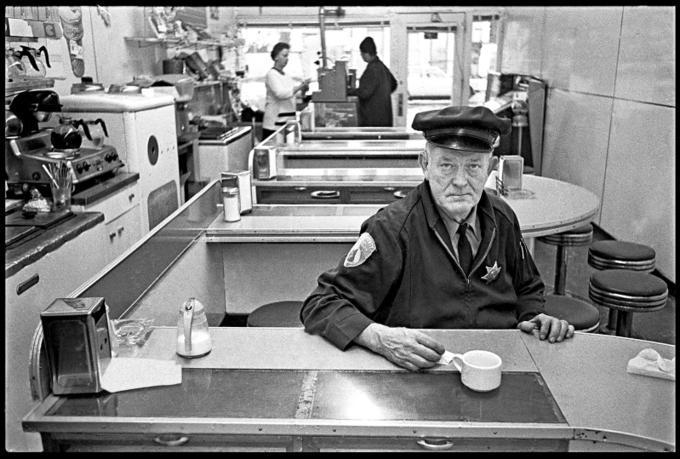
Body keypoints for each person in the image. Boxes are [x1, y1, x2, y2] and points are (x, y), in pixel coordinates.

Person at [300, 105, 575, 371]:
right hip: (421, 369)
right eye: (446, 165)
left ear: (490, 168)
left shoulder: (502, 218)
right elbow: (322, 303)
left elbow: (527, 287)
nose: (459, 181)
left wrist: (533, 317)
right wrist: (381, 339)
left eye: (473, 167)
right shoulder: (391, 229)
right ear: (424, 164)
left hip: (498, 365)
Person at [262, 42, 310, 140]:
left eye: (287, 56)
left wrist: (303, 90)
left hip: (288, 122)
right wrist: (300, 86)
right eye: (284, 55)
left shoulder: (287, 76)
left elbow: (293, 95)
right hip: (274, 124)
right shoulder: (271, 75)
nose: (286, 59)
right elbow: (281, 94)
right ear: (276, 57)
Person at [348, 36, 397, 127]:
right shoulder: (382, 66)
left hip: (373, 118)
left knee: (372, 141)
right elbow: (394, 84)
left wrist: (349, 91)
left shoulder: (372, 69)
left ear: (366, 53)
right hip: (384, 115)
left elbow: (364, 93)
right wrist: (382, 95)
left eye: (361, 53)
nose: (361, 56)